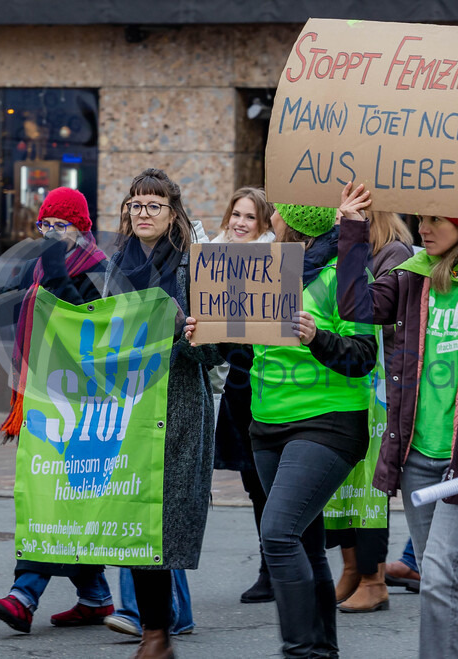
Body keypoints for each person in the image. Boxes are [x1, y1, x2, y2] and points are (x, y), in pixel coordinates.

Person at [336, 184, 458, 659]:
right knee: (446, 579)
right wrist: (352, 229)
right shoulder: (411, 276)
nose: (423, 229)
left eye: (436, 222)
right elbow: (355, 307)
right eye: (420, 219)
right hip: (418, 459)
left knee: (442, 573)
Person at [186, 201, 377, 658]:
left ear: (292, 222)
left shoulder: (344, 274)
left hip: (329, 422)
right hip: (267, 425)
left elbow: (363, 357)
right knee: (306, 543)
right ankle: (322, 650)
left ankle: (299, 652)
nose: (269, 219)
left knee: (277, 533)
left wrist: (317, 338)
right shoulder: (263, 272)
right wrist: (209, 333)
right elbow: (244, 356)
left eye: (276, 213)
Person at [0, 187, 117, 634]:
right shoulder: (37, 267)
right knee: (59, 497)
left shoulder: (99, 269)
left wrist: (53, 273)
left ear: (82, 228)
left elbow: (85, 328)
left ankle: (24, 595)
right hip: (40, 394)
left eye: (60, 226)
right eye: (44, 225)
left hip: (82, 401)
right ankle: (95, 596)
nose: (50, 234)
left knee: (55, 498)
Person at [96, 168, 222, 658]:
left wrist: (186, 335)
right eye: (135, 204)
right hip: (129, 405)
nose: (142, 213)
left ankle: (158, 634)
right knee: (137, 518)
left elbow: (219, 350)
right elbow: (104, 333)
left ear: (174, 214)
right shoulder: (115, 264)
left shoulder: (196, 264)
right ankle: (156, 633)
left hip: (181, 405)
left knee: (164, 522)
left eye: (154, 205)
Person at [328, 201, 413, 614]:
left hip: (378, 384)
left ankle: (374, 577)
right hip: (344, 379)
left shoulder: (393, 252)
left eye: (344, 216)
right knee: (345, 483)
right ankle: (351, 568)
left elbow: (368, 310)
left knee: (369, 487)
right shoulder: (337, 249)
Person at [206, 187, 277, 604]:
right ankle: (272, 567)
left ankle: (280, 565)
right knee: (254, 482)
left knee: (271, 482)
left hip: (269, 384)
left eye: (249, 217)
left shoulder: (276, 264)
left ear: (264, 223)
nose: (239, 223)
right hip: (232, 388)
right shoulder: (211, 260)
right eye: (235, 214)